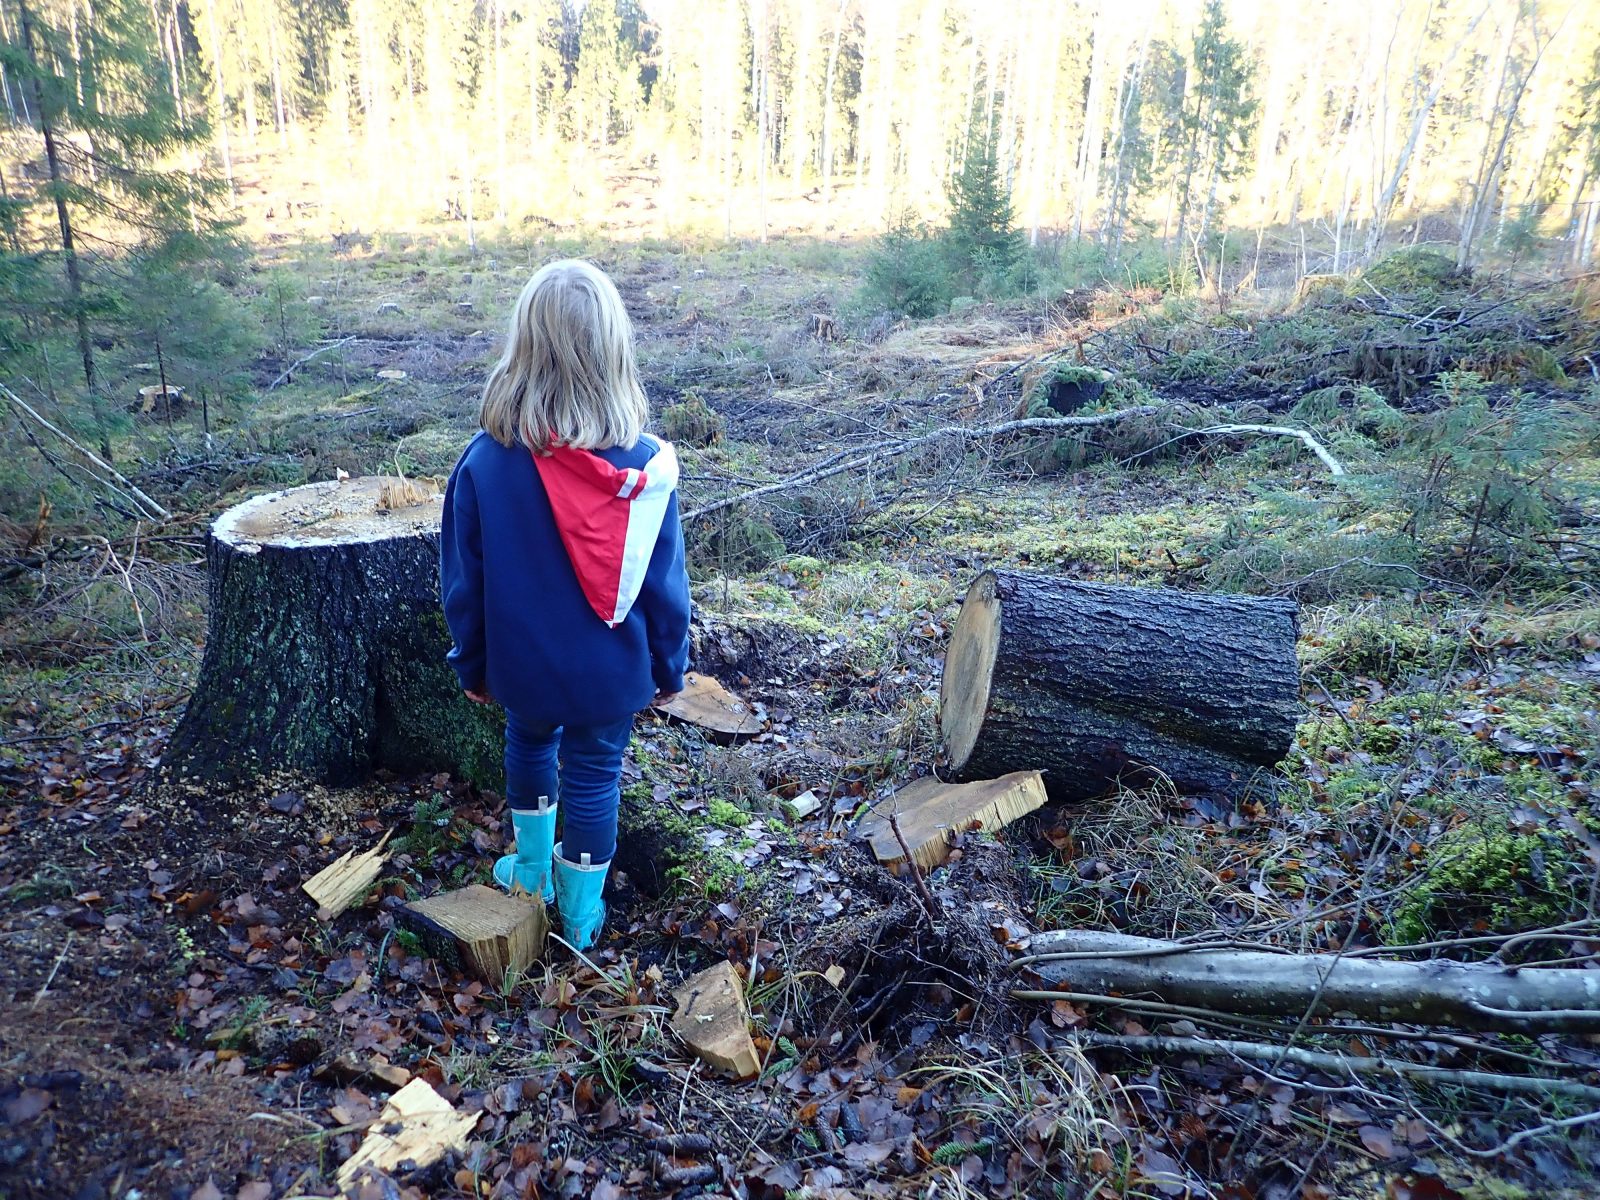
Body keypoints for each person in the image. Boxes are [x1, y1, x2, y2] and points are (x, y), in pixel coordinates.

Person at [439, 259, 691, 951]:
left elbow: (465, 584)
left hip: (523, 669)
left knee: (529, 741)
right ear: (614, 352)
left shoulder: (486, 463)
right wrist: (672, 668)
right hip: (612, 673)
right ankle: (581, 919)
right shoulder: (645, 468)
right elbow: (667, 588)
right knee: (595, 773)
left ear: (524, 349)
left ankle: (530, 873)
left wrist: (473, 665)